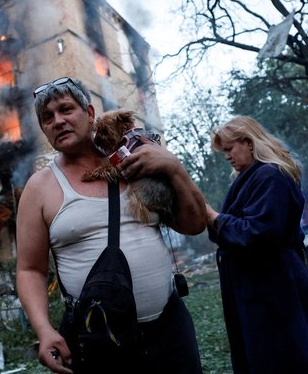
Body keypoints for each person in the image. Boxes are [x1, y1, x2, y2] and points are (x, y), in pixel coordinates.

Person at [15, 77, 207, 373]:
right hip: (98, 340)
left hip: (169, 332)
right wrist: (44, 330)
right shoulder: (39, 188)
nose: (58, 121)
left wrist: (174, 167)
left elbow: (194, 224)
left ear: (89, 113)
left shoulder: (136, 159)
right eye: (47, 117)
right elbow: (30, 269)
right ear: (43, 129)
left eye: (66, 109)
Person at [205, 116, 308, 374]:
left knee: (286, 359)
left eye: (230, 149)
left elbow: (258, 233)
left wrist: (213, 217)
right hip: (262, 288)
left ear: (249, 143)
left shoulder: (269, 176)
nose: (228, 156)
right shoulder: (252, 177)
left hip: (275, 288)